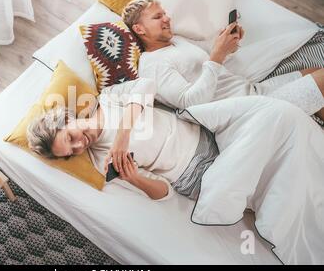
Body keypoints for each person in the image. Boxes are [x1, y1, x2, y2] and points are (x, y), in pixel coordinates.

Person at [26, 77, 317, 201]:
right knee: (282, 186)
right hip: (196, 175)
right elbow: (163, 194)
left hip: (207, 132)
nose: (81, 145)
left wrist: (122, 136)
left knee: (281, 126)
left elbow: (148, 84)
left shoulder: (109, 98)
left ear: (68, 119)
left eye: (72, 137)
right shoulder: (104, 163)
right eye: (72, 151)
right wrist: (135, 180)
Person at [121, 0, 324, 121]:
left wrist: (229, 45)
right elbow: (189, 104)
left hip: (254, 91)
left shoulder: (177, 41)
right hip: (248, 111)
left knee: (314, 71)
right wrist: (217, 56)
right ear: (139, 29)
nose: (167, 18)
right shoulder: (153, 64)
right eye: (158, 17)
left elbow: (214, 58)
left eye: (164, 13)